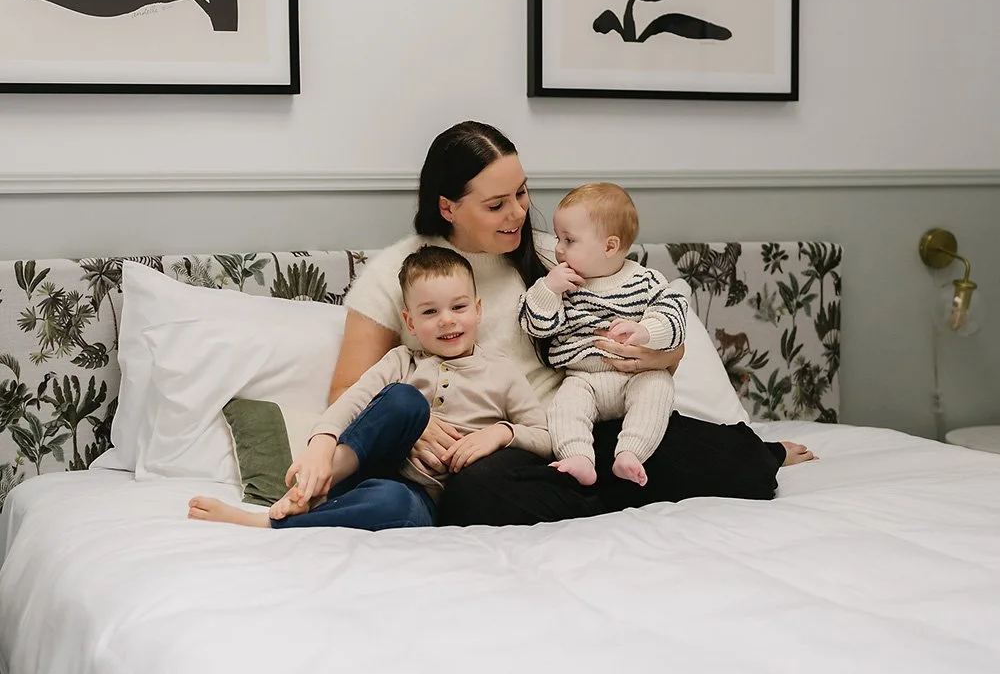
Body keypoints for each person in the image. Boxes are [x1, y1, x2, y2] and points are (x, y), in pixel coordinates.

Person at [285, 120, 815, 529]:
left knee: (744, 470)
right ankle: (613, 497)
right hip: (485, 452)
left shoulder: (555, 257)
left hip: (578, 428)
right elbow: (349, 392)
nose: (518, 212)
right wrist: (414, 427)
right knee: (477, 494)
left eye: (522, 193)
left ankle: (691, 465)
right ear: (448, 207)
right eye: (496, 204)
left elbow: (660, 333)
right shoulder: (400, 274)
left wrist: (654, 355)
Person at [188, 245, 549, 531]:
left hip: (423, 497)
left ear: (478, 308)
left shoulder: (502, 372)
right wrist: (321, 444)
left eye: (458, 307)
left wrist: (502, 433)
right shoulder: (402, 360)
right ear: (409, 320)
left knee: (396, 506)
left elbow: (545, 437)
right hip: (367, 466)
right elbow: (354, 401)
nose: (447, 320)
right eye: (429, 312)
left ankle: (270, 521)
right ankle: (319, 482)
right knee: (404, 400)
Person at [519, 182, 687, 489]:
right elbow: (537, 326)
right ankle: (579, 457)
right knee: (565, 405)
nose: (558, 249)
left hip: (636, 376)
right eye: (558, 238)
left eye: (569, 240)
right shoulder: (563, 283)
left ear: (609, 247)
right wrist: (548, 289)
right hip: (583, 377)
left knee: (658, 388)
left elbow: (674, 314)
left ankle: (631, 453)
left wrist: (646, 331)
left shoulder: (645, 280)